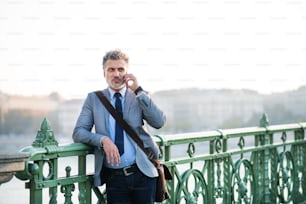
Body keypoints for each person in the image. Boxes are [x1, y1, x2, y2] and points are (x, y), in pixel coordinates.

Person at [72, 49, 166, 203]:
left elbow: (159, 122)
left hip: (143, 173)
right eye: (111, 70)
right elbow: (78, 132)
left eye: (120, 69)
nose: (116, 74)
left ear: (127, 72)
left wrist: (138, 90)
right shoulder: (93, 99)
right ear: (104, 73)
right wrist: (102, 140)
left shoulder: (139, 96)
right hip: (114, 178)